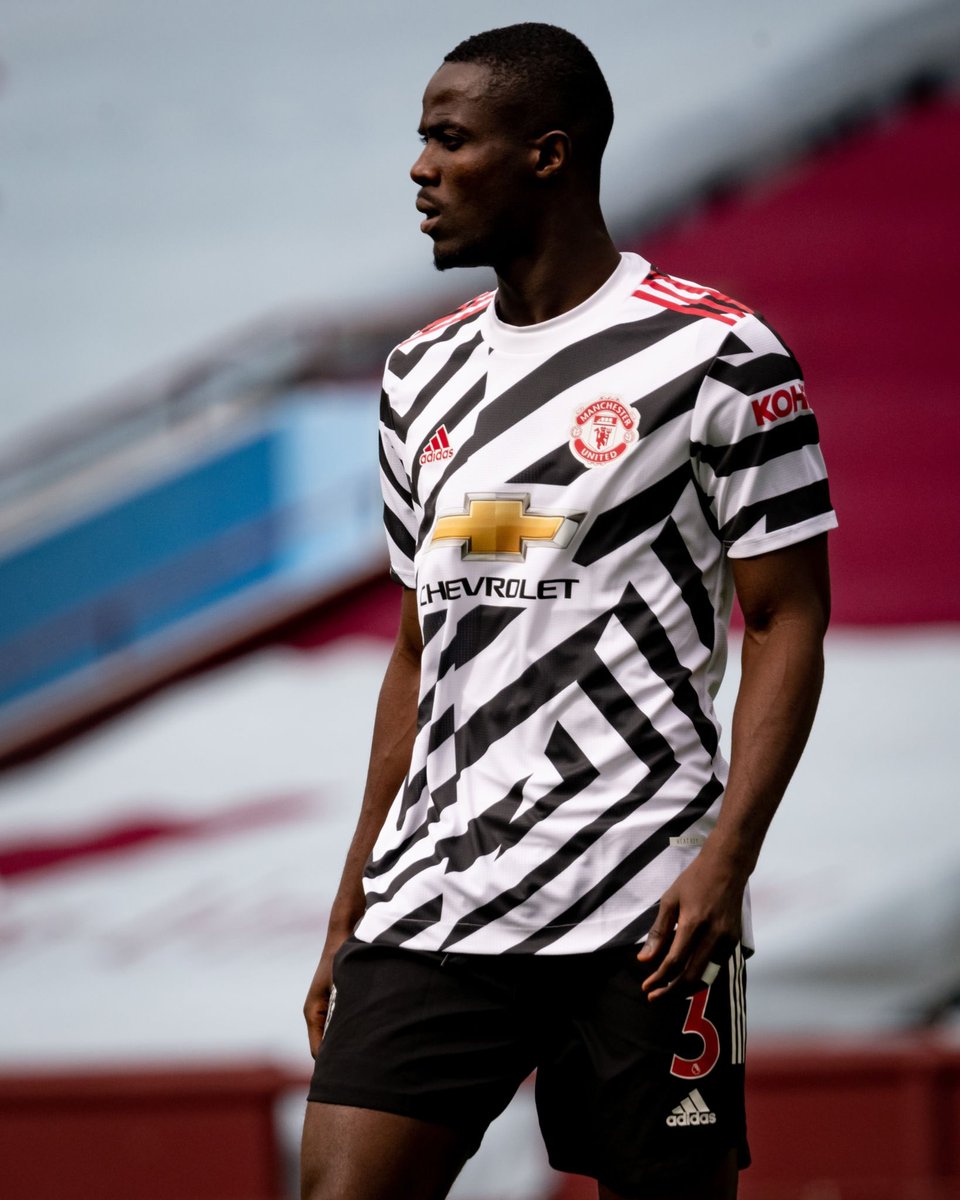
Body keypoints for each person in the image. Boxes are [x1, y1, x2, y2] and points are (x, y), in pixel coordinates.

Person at [301, 22, 835, 1200]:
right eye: (422, 141)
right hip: (435, 894)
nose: (420, 170)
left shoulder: (719, 352)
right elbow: (418, 651)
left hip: (646, 900)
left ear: (547, 155)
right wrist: (353, 898)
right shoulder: (416, 376)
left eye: (450, 140)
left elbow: (788, 620)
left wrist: (727, 862)